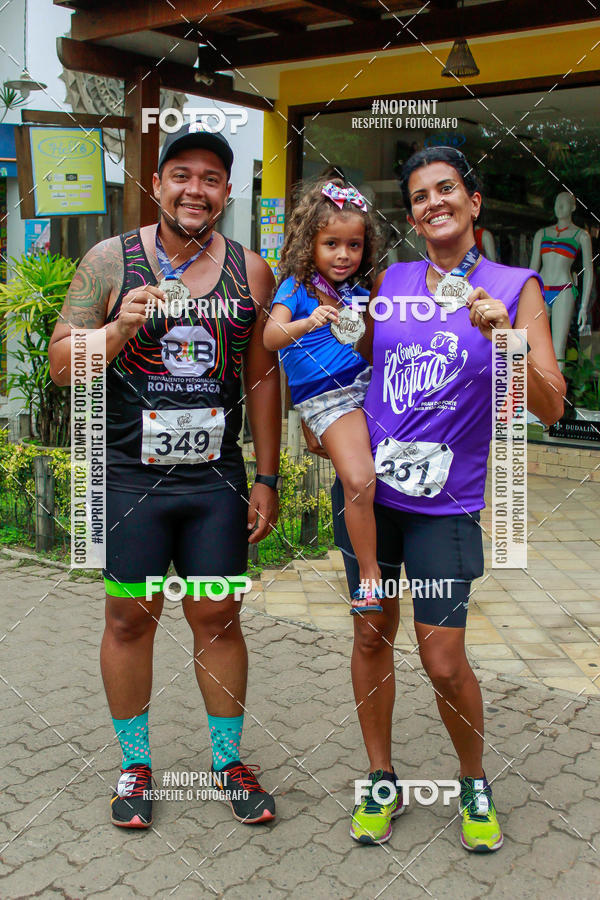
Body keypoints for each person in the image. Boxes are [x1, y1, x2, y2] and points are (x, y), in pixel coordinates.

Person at [304, 147, 565, 850]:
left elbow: (551, 405)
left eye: (445, 189)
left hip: (445, 508)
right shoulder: (388, 280)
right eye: (419, 195)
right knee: (368, 633)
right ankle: (381, 775)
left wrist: (504, 340)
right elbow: (352, 363)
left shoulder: (516, 287)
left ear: (473, 203)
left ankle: (472, 777)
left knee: (443, 660)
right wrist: (318, 419)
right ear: (413, 214)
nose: (432, 202)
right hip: (370, 501)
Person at [49, 122, 281, 828]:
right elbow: (63, 366)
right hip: (128, 482)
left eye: (211, 178)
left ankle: (227, 762)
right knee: (129, 618)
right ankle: (134, 765)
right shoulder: (108, 261)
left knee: (217, 616)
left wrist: (267, 477)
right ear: (157, 185)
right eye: (182, 174)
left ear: (227, 192)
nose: (195, 189)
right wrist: (119, 328)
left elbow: (263, 376)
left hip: (215, 484)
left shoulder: (251, 270)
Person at [263, 179, 383, 613]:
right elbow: (271, 337)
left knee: (375, 479)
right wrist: (310, 321)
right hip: (328, 398)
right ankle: (369, 579)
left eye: (353, 245)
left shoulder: (364, 290)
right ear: (307, 242)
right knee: (358, 479)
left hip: (370, 389)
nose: (343, 255)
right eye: (331, 243)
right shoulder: (296, 288)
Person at [530, 191, 593, 369]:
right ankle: (538, 393)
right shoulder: (541, 234)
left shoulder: (581, 236)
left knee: (558, 348)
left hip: (564, 290)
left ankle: (557, 396)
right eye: (557, 202)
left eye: (565, 202)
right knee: (534, 345)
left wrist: (584, 307)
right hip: (541, 289)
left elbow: (589, 271)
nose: (560, 206)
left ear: (573, 207)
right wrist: (523, 296)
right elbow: (532, 268)